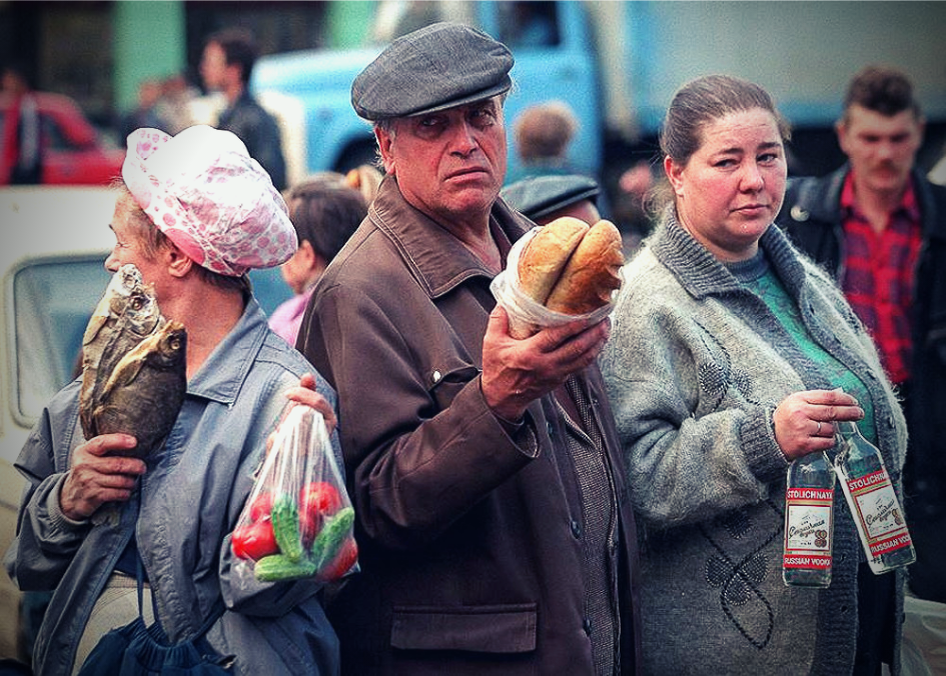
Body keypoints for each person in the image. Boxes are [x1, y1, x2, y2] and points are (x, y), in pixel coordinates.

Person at [297, 22, 642, 675]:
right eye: (433, 127)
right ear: (386, 147)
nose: (465, 143)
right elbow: (370, 513)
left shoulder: (538, 251)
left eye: (480, 116)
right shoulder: (359, 291)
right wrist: (494, 405)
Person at [4, 125, 341, 676]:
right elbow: (27, 562)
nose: (112, 263)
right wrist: (69, 499)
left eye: (122, 243)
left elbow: (270, 594)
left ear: (179, 257)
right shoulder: (107, 373)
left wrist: (295, 492)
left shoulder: (286, 401)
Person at [599, 74, 908, 674]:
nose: (754, 180)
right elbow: (633, 480)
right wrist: (765, 438)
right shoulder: (645, 304)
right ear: (676, 172)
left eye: (769, 156)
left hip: (858, 634)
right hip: (737, 652)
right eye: (727, 160)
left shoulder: (807, 281)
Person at [776, 63, 946, 670]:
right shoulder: (798, 216)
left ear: (918, 134)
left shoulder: (939, 217)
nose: (884, 153)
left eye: (897, 138)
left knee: (928, 622)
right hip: (839, 440)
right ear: (845, 135)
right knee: (845, 621)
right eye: (870, 138)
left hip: (929, 445)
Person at [269, 175, 366, 345]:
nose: (280, 259)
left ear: (307, 255)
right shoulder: (368, 305)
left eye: (284, 246)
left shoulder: (292, 330)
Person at [200, 28, 287, 190]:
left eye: (211, 63)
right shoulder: (227, 116)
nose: (203, 69)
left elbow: (272, 180)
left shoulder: (257, 120)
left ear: (234, 71)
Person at [0, 62, 42, 185]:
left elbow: (29, 138)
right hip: (11, 165)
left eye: (9, 80)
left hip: (22, 168)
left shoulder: (27, 105)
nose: (5, 83)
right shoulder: (12, 105)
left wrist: (24, 167)